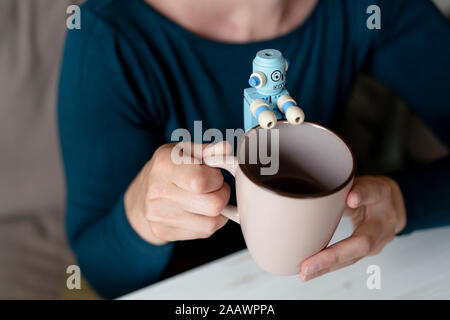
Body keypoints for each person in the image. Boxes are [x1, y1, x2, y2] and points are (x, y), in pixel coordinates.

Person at [58, 0, 450, 298]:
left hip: (321, 276)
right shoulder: (108, 35)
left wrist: (405, 202)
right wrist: (142, 219)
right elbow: (100, 269)